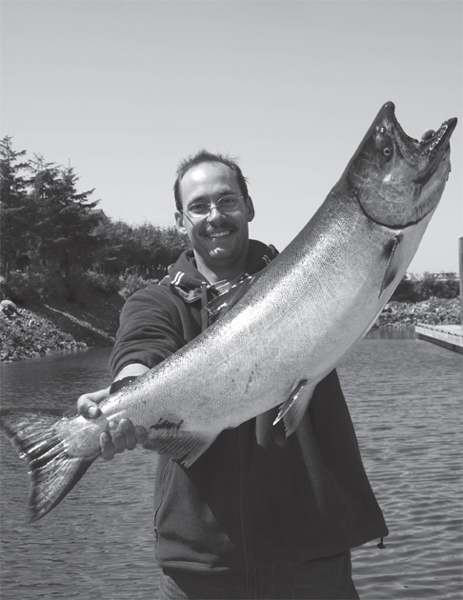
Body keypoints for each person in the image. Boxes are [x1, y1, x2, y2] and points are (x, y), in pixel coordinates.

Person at [78, 150, 388, 599]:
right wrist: (126, 393)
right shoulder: (155, 301)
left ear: (249, 206)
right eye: (199, 206)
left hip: (313, 559)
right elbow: (140, 349)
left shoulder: (310, 276)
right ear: (180, 220)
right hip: (202, 569)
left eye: (227, 200)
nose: (215, 215)